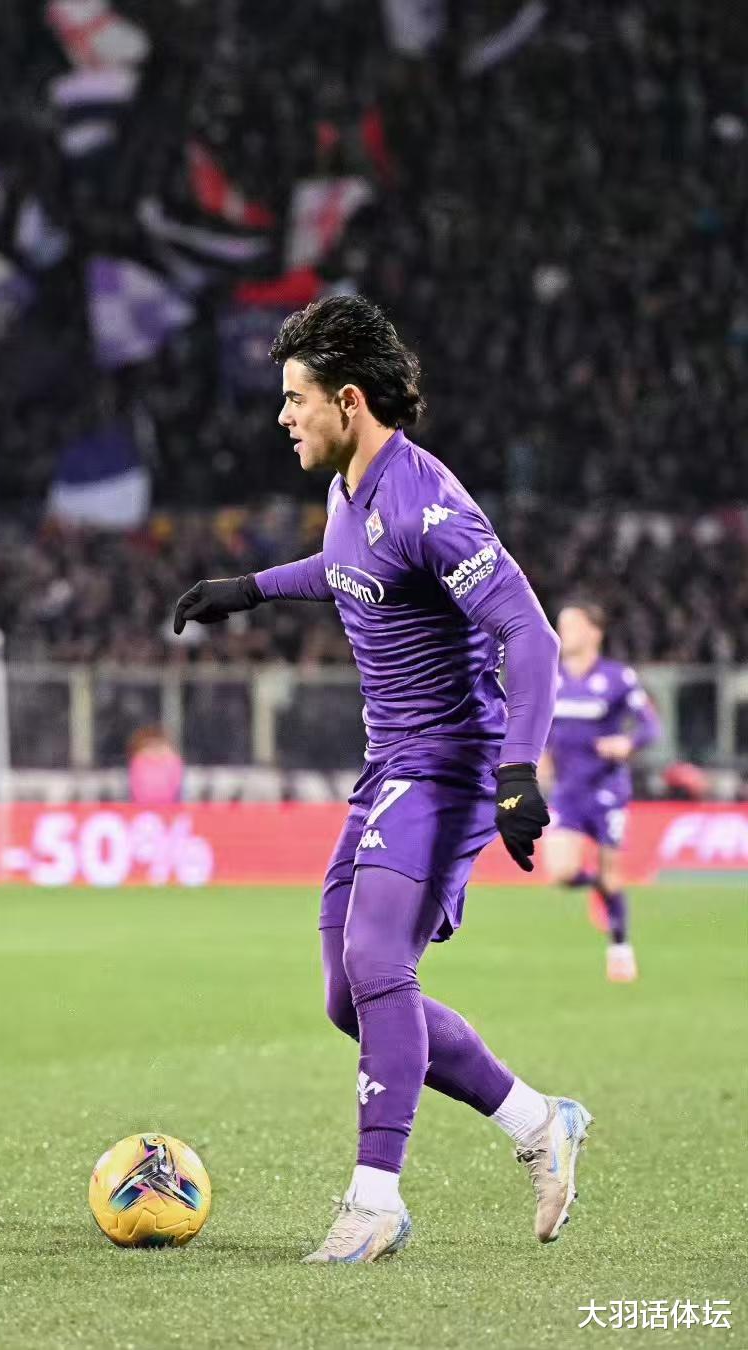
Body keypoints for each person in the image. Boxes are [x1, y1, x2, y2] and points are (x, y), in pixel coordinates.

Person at [173, 295, 591, 1265]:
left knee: (376, 963)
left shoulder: (426, 503)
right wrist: (250, 590)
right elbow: (347, 567)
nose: (283, 415)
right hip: (388, 766)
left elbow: (528, 632)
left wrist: (517, 772)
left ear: (349, 401)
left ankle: (375, 1201)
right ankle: (540, 1121)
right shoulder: (349, 491)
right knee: (347, 998)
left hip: (448, 765)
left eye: (296, 397)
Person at [540, 600, 661, 982]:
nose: (564, 633)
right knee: (561, 872)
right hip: (568, 791)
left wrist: (628, 744)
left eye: (572, 625)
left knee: (612, 872)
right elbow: (543, 727)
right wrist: (540, 757)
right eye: (561, 625)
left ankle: (620, 947)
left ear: (594, 632)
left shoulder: (617, 678)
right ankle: (597, 888)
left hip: (606, 788)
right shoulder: (551, 678)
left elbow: (650, 727)